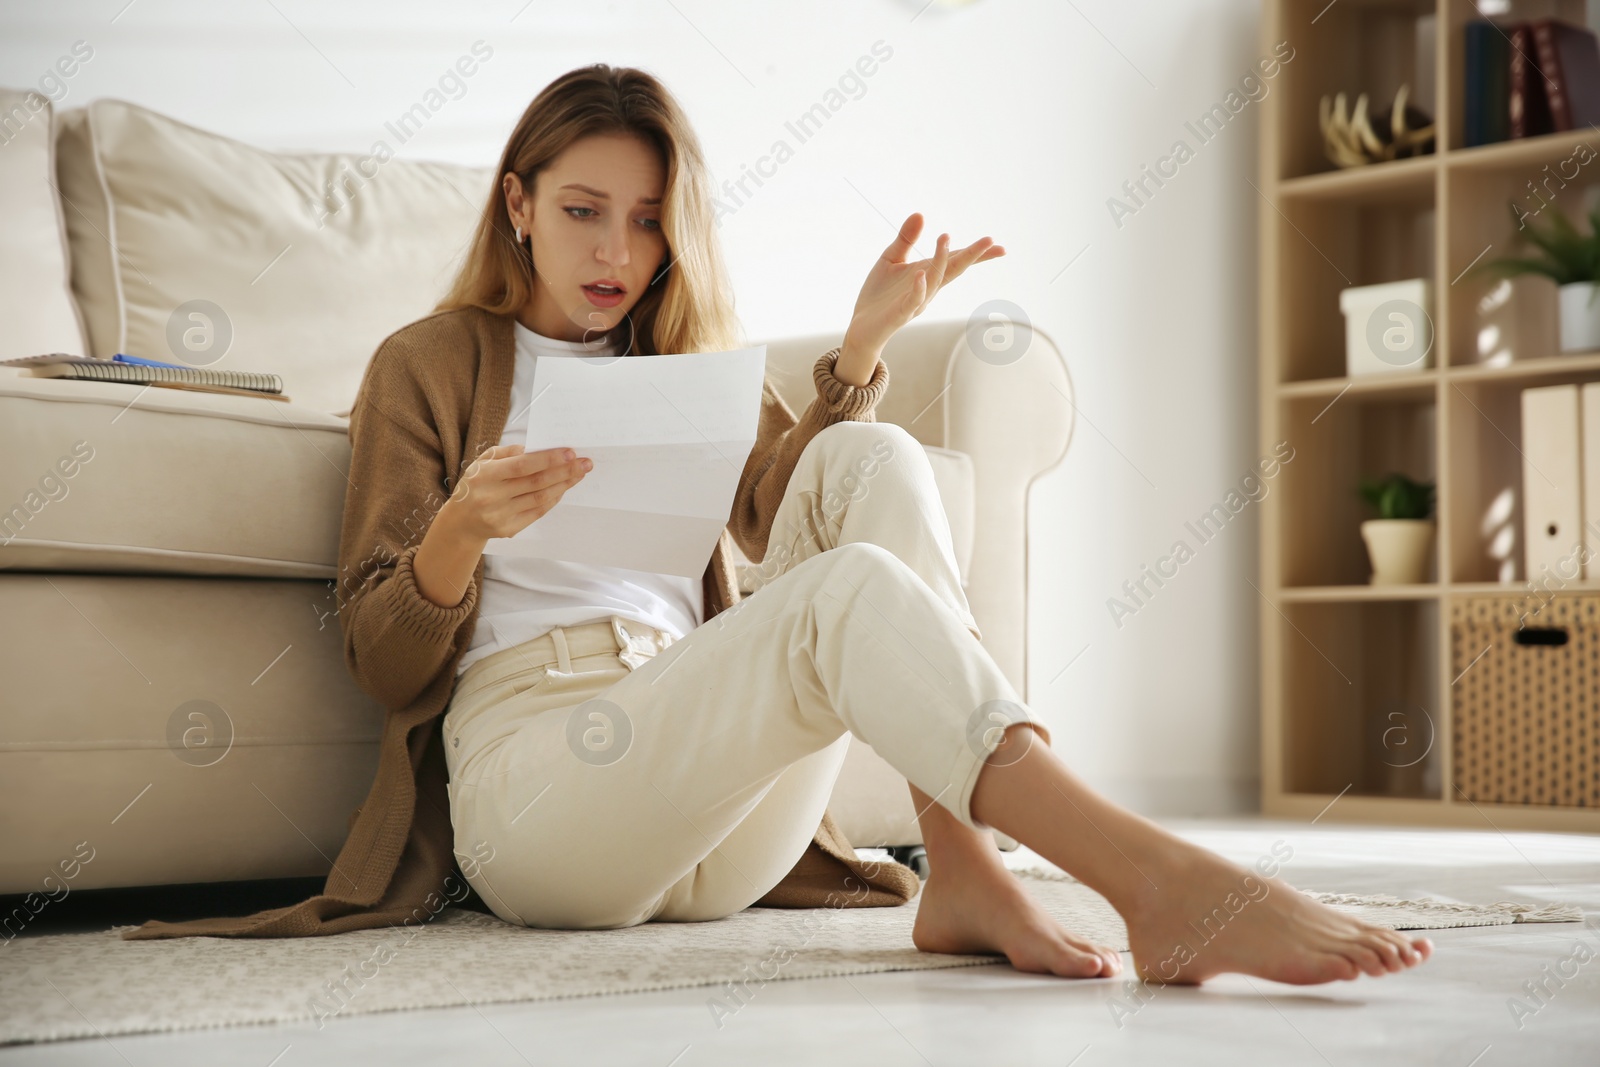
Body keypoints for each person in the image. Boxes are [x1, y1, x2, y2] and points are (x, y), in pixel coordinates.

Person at [168, 62, 1433, 985]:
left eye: (651, 216)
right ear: (517, 204)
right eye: (582, 208)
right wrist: (456, 532)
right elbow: (379, 656)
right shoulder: (429, 363)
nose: (619, 248)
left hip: (716, 811)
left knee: (876, 451)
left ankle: (967, 870)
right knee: (841, 595)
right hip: (547, 801)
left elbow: (795, 504)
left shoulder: (679, 355)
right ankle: (1154, 876)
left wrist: (863, 348)